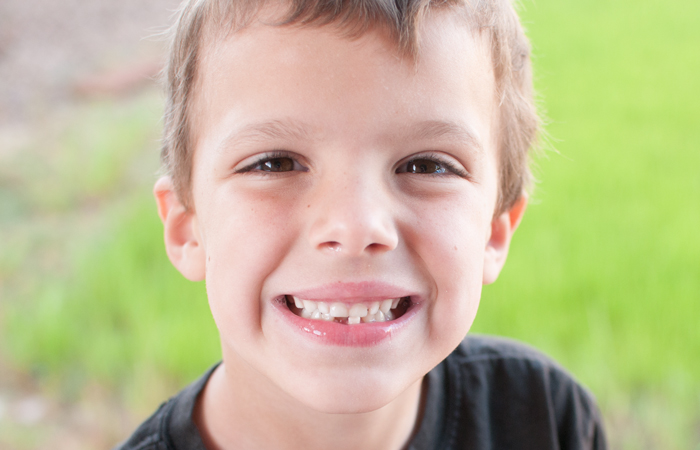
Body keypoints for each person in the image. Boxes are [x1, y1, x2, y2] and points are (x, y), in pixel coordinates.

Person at [116, 0, 607, 448]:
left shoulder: (543, 416)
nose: (355, 226)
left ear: (495, 232)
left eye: (426, 166)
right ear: (187, 227)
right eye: (276, 164)